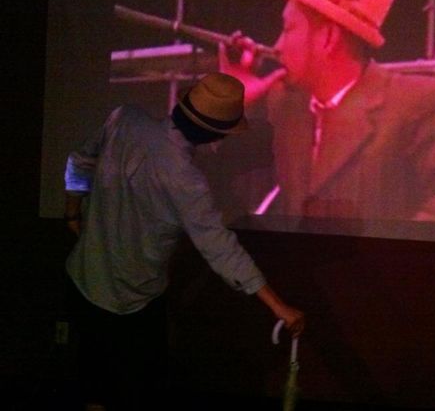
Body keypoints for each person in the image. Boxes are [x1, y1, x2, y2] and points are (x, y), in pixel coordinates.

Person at [63, 72, 305, 411]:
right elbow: (221, 249)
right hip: (133, 301)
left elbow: (79, 160)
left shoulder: (123, 117)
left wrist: (72, 213)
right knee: (131, 393)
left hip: (85, 279)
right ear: (216, 135)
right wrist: (278, 306)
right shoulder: (187, 181)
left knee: (93, 388)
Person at [220, 0, 435, 222]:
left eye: (288, 29)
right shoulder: (284, 103)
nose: (277, 46)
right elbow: (209, 170)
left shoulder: (421, 103)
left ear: (328, 38)